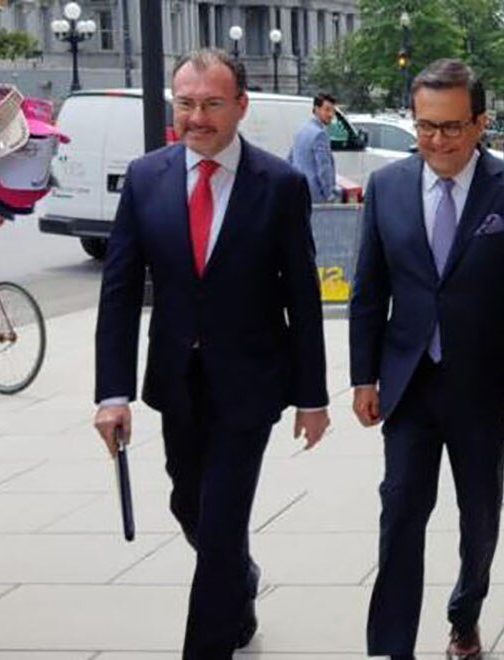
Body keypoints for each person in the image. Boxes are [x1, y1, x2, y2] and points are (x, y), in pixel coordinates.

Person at [93, 49, 330, 659]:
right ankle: (240, 582)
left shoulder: (280, 185)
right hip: (177, 380)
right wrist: (112, 394)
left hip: (251, 383)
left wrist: (312, 396)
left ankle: (207, 644)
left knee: (222, 520)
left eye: (212, 104)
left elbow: (302, 298)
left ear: (241, 106)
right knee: (189, 503)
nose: (196, 118)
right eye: (186, 104)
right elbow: (119, 291)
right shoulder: (145, 178)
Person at [349, 59, 504, 660]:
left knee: (479, 518)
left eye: (451, 127)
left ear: (480, 124)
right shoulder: (387, 188)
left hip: (484, 388)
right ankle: (390, 647)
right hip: (409, 384)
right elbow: (368, 291)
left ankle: (465, 614)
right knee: (399, 515)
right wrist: (363, 377)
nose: (437, 140)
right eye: (425, 126)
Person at [288, 92, 340, 203]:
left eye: (333, 111)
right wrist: (329, 195)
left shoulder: (301, 130)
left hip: (298, 192)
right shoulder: (320, 134)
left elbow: (290, 160)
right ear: (316, 109)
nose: (331, 114)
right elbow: (324, 168)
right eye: (327, 110)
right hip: (316, 196)